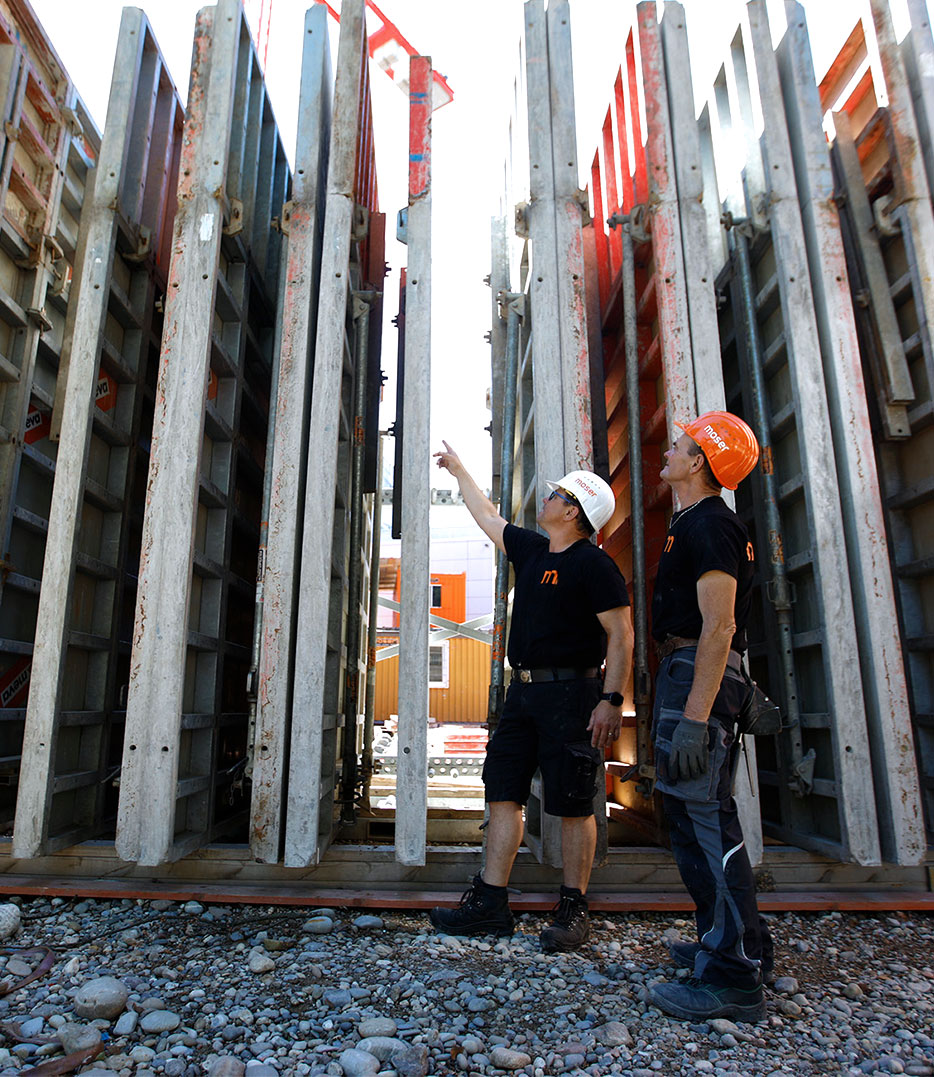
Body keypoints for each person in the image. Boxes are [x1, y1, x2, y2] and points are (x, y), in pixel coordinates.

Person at [428, 442, 633, 952]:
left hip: (574, 695)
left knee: (572, 804)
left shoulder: (595, 566)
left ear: (573, 511)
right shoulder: (534, 549)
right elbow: (487, 517)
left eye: (557, 494)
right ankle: (490, 905)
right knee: (503, 792)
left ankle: (573, 907)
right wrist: (459, 469)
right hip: (522, 696)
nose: (547, 498)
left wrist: (611, 699)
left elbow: (622, 635)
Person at [645, 411, 774, 1023]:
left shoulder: (713, 526)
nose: (668, 453)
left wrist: (695, 720)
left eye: (678, 446)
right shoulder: (695, 522)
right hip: (689, 673)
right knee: (692, 814)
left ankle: (734, 976)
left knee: (705, 819)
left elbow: (719, 625)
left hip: (697, 677)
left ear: (699, 462)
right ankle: (736, 943)